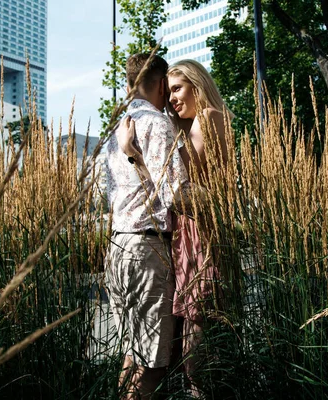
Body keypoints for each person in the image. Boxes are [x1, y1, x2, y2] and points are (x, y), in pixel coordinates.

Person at [119, 59, 233, 397]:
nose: (171, 99)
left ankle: (200, 392)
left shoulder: (209, 117)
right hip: (183, 228)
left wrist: (134, 154)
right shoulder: (183, 125)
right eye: (167, 93)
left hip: (200, 228)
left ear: (197, 84)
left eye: (177, 89)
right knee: (178, 330)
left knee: (195, 326)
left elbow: (171, 185)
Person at [104, 53, 192, 399]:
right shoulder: (158, 124)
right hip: (147, 249)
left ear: (128, 84)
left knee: (132, 354)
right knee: (153, 361)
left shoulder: (116, 130)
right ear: (160, 84)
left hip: (118, 246)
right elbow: (175, 194)